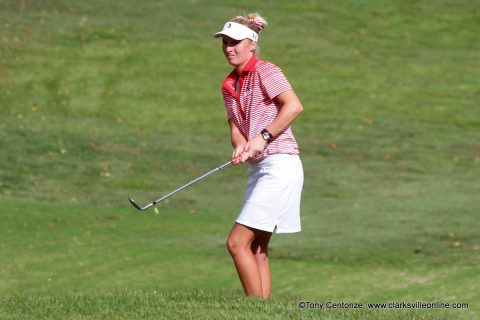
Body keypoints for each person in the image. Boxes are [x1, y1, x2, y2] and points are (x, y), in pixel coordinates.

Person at [214, 13, 304, 299]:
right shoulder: (229, 84)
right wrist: (241, 145)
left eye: (235, 42)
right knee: (256, 248)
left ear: (251, 44)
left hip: (280, 164)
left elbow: (293, 107)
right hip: (260, 169)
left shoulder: (267, 71)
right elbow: (235, 127)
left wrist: (262, 137)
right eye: (225, 42)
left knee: (237, 243)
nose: (229, 48)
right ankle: (264, 310)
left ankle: (254, 311)